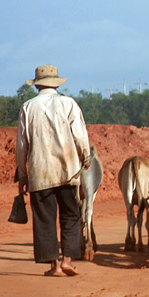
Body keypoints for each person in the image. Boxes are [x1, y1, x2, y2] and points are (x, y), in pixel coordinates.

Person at [16, 65, 92, 277]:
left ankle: (54, 266)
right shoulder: (68, 103)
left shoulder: (27, 107)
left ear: (37, 85)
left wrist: (22, 174)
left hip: (40, 174)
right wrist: (86, 157)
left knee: (44, 219)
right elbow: (80, 135)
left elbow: (22, 145)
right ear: (56, 83)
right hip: (68, 171)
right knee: (71, 215)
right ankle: (68, 260)